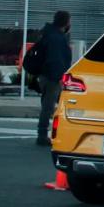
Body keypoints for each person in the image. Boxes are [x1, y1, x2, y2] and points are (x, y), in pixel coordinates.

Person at [36, 11, 72, 146]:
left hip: (47, 75)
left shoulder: (49, 34)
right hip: (53, 77)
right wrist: (59, 78)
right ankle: (42, 134)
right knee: (49, 106)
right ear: (66, 22)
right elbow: (56, 60)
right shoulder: (56, 38)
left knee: (55, 105)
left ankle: (51, 132)